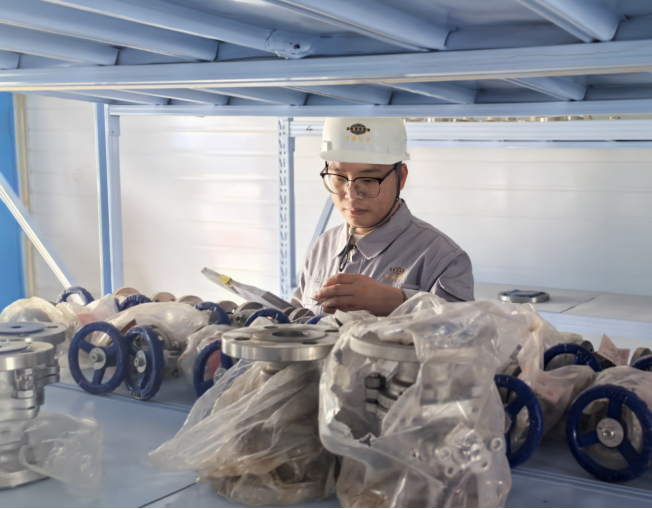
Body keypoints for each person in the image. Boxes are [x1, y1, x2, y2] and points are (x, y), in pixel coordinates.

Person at [292, 117, 474, 316]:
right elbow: (298, 317)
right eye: (338, 178)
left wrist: (398, 303)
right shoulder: (323, 247)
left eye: (369, 180)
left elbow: (465, 328)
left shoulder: (442, 258)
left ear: (401, 177)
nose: (351, 195)